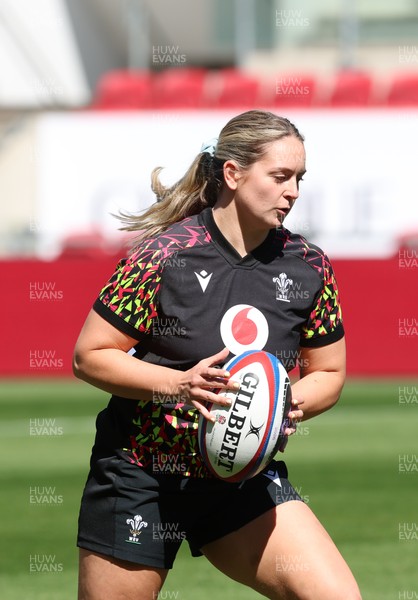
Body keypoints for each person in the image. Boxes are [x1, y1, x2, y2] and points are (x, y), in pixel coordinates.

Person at [73, 109, 362, 600]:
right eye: (280, 176)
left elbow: (328, 372)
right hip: (142, 473)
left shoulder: (309, 265)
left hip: (240, 477)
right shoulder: (164, 254)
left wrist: (281, 404)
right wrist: (177, 385)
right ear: (232, 173)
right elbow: (90, 355)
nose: (293, 191)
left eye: (299, 179)